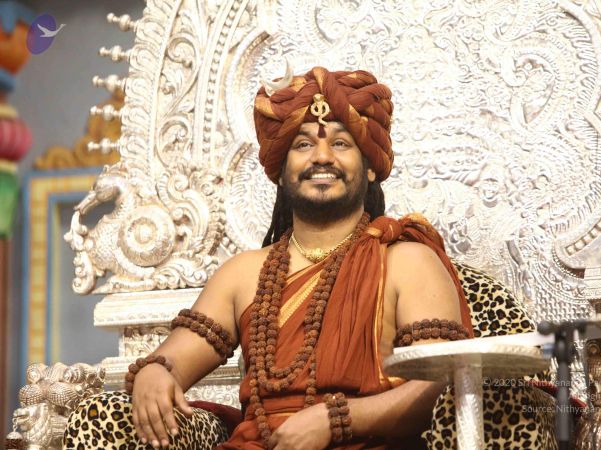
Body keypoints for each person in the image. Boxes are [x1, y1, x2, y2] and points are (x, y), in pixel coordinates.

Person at [64, 67, 475, 450]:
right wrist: (156, 372)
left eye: (340, 143)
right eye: (303, 144)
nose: (322, 157)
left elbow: (439, 384)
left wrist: (336, 422)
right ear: (280, 170)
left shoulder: (407, 261)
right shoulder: (244, 274)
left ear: (370, 167)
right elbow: (174, 360)